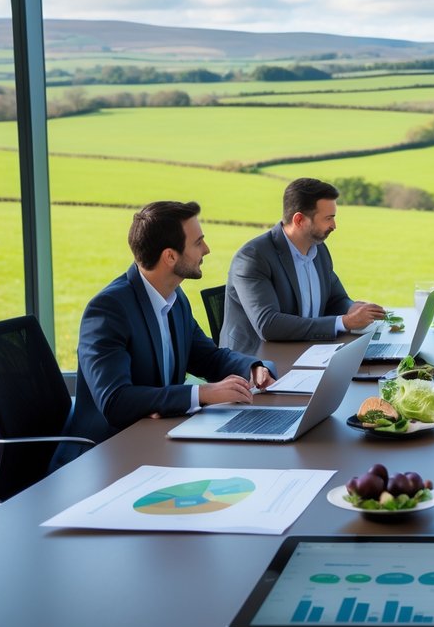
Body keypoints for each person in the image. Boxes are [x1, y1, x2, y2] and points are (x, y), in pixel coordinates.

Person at [52, 201, 274, 470]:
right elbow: (116, 401)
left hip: (157, 443)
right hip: (105, 456)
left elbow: (209, 357)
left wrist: (253, 369)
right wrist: (201, 394)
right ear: (170, 256)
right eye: (198, 242)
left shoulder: (174, 298)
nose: (207, 249)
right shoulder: (109, 310)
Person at [219, 177, 385, 354]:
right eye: (328, 218)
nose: (334, 225)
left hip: (305, 350)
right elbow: (268, 324)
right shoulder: (253, 257)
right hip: (255, 363)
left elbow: (336, 299)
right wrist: (344, 322)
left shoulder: (319, 250)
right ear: (299, 220)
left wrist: (353, 308)